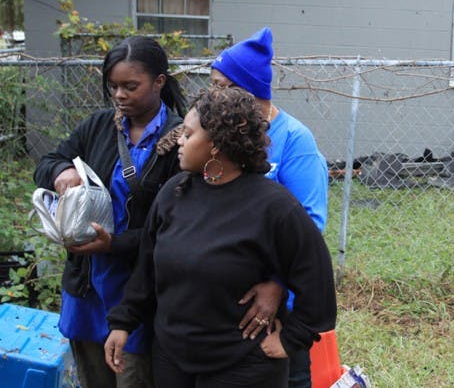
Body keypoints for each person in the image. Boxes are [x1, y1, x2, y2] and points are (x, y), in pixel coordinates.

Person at [104, 86, 337, 388]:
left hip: (242, 367)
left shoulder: (275, 208)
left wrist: (293, 338)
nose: (179, 142)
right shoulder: (174, 193)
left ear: (216, 144)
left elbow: (316, 281)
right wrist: (123, 322)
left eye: (188, 135)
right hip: (173, 359)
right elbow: (147, 268)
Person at [33, 36, 187, 388]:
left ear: (159, 82)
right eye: (113, 86)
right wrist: (62, 173)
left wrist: (114, 244)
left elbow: (173, 228)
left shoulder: (181, 140)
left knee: (132, 376)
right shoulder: (100, 126)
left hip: (137, 290)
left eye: (130, 86)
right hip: (87, 285)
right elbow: (48, 161)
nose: (119, 95)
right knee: (93, 378)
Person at [210, 26, 329, 387]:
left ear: (245, 91)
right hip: (226, 302)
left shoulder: (294, 140)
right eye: (211, 86)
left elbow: (309, 225)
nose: (211, 97)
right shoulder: (217, 135)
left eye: (219, 87)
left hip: (278, 310)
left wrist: (277, 283)